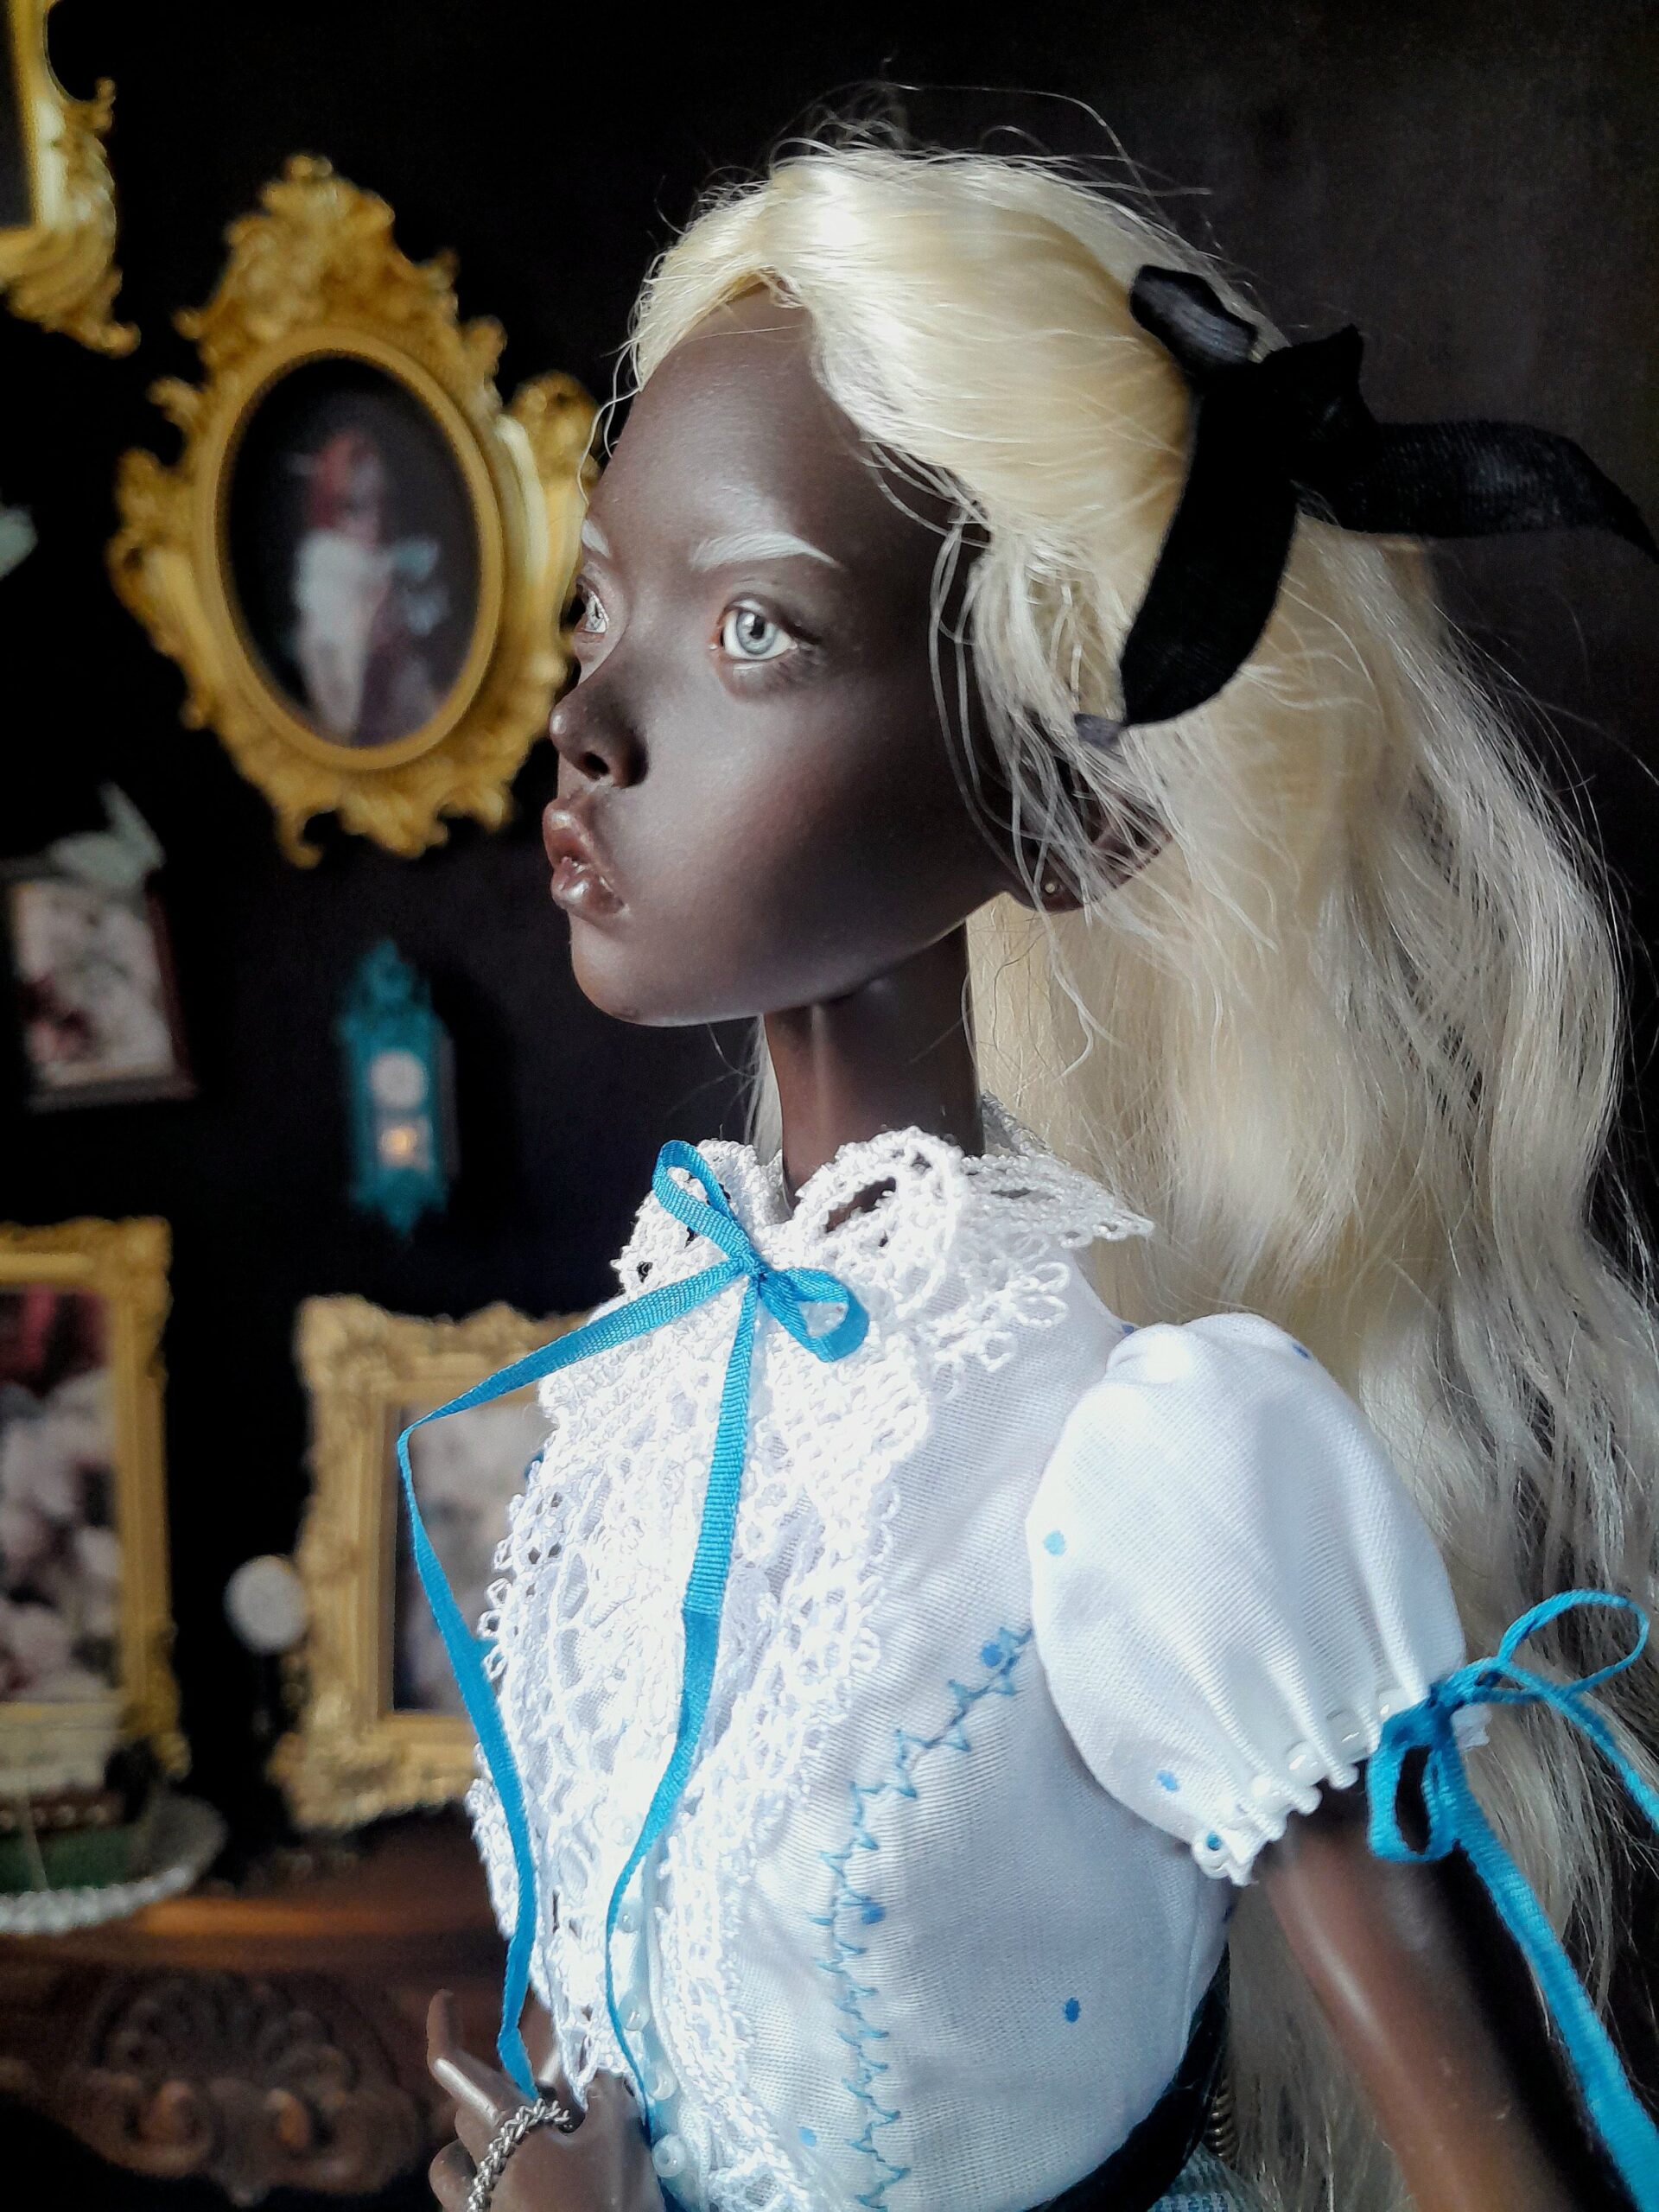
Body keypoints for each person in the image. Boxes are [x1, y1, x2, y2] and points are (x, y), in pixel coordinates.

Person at [414, 137, 1659, 2212]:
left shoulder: (1158, 1466)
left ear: (1064, 800)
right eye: (605, 604)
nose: (591, 723)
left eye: (754, 630)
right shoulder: (653, 1391)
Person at [290, 425, 447, 746]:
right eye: (355, 506)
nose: (374, 521)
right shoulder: (321, 599)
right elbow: (342, 721)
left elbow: (424, 706)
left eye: (381, 502)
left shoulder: (400, 575)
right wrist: (370, 643)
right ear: (328, 508)